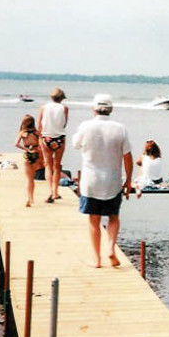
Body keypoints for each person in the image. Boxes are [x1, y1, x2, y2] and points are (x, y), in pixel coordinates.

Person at [72, 94, 133, 268]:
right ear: (111, 109)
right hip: (112, 181)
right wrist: (128, 180)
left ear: (94, 109)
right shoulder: (120, 128)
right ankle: (111, 248)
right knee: (113, 217)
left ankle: (96, 259)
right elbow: (127, 157)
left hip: (91, 181)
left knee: (94, 220)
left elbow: (75, 144)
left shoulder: (86, 126)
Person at [37, 87, 69, 203]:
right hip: (59, 138)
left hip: (46, 137)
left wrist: (40, 139)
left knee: (48, 165)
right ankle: (56, 192)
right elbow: (64, 124)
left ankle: (49, 191)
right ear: (61, 98)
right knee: (57, 166)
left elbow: (39, 125)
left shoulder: (43, 107)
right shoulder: (64, 108)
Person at [13, 114, 43, 206]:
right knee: (33, 179)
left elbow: (16, 144)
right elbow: (42, 145)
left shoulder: (22, 133)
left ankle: (29, 198)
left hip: (28, 155)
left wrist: (26, 149)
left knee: (29, 179)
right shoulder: (37, 133)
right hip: (36, 154)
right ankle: (32, 198)